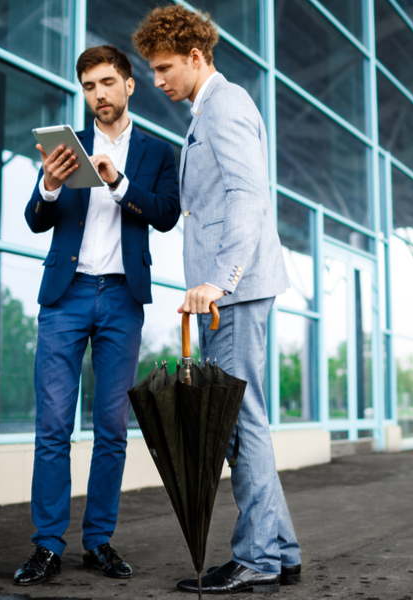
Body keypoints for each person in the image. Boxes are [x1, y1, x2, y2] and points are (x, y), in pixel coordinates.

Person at [133, 7, 302, 595]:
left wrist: (220, 281)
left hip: (233, 291)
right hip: (232, 292)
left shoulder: (224, 107)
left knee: (236, 423)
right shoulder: (208, 109)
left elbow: (247, 197)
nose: (156, 80)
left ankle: (256, 556)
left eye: (162, 68)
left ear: (196, 58)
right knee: (244, 419)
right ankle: (279, 551)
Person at [15, 44, 180, 586]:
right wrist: (51, 184)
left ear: (129, 85)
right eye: (89, 86)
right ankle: (46, 546)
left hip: (121, 298)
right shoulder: (70, 148)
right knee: (54, 426)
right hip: (65, 296)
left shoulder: (156, 153)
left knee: (111, 428)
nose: (98, 95)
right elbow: (36, 218)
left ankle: (99, 542)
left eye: (107, 83)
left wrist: (119, 182)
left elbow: (167, 214)